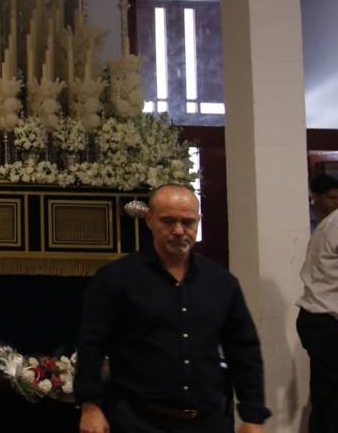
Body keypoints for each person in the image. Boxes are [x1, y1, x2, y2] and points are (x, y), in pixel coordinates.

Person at [76, 184, 269, 433]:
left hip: (208, 421)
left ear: (198, 221)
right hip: (137, 420)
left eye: (188, 222)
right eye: (168, 221)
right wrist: (90, 406)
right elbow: (91, 344)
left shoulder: (222, 283)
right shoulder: (116, 278)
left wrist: (253, 416)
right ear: (149, 220)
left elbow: (244, 351)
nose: (179, 230)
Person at [297, 173, 338, 433]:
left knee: (326, 398)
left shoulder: (329, 223)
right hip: (327, 323)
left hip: (316, 319)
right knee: (332, 401)